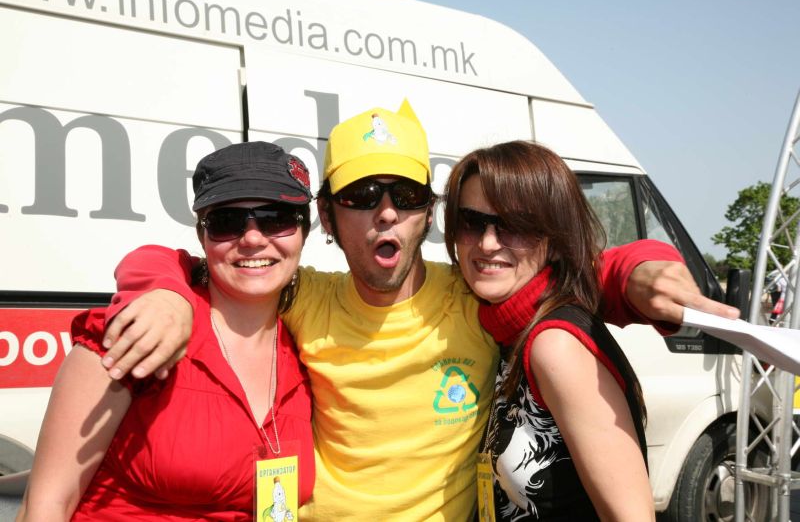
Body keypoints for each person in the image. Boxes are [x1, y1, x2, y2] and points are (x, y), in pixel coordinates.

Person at [92, 101, 738, 520]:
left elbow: (567, 271)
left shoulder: (473, 294)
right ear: (327, 218)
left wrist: (639, 266)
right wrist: (163, 289)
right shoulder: (303, 298)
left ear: (428, 215)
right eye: (361, 195)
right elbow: (203, 265)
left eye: (404, 194)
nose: (385, 212)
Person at [16, 142, 315, 521]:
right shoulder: (133, 335)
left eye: (276, 218)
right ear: (202, 237)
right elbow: (45, 507)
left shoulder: (309, 349)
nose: (253, 238)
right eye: (226, 221)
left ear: (303, 231)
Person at [444, 141, 653, 520]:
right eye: (471, 221)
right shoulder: (504, 329)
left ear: (555, 241)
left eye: (515, 225)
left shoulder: (554, 344)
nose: (488, 243)